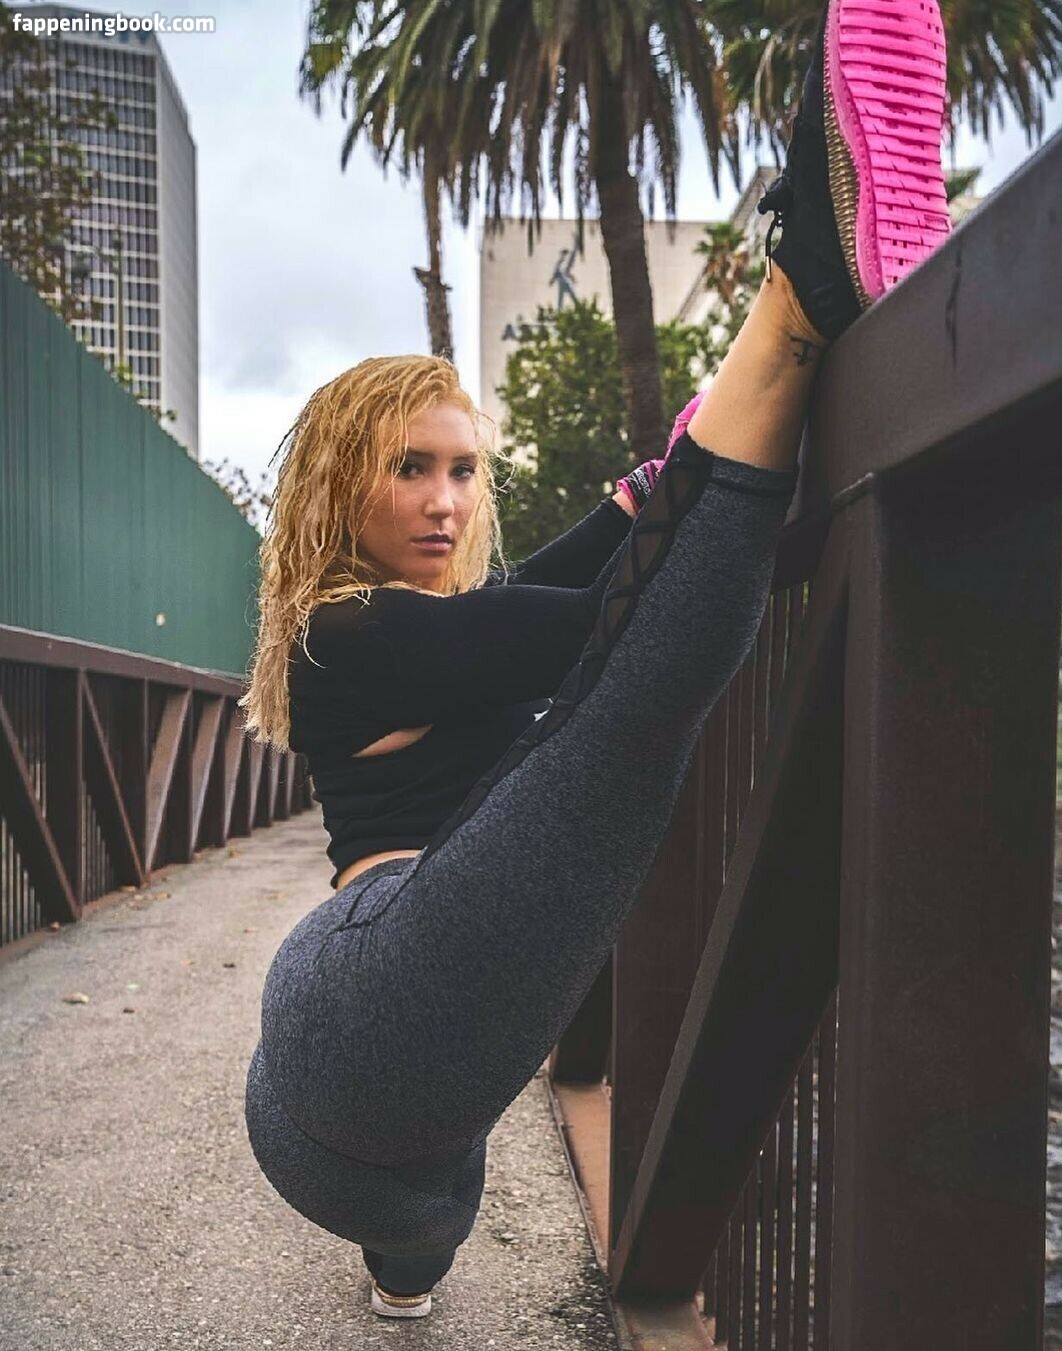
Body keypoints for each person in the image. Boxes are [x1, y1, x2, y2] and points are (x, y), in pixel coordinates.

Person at [240, 0, 952, 1320]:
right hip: (357, 998)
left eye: (465, 469)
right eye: (409, 469)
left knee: (423, 1229)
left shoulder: (429, 627)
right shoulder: (344, 632)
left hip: (402, 1120)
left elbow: (551, 585)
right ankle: (799, 291)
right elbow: (591, 623)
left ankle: (402, 1273)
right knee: (626, 715)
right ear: (339, 486)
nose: (447, 500)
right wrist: (706, 458)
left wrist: (654, 482)